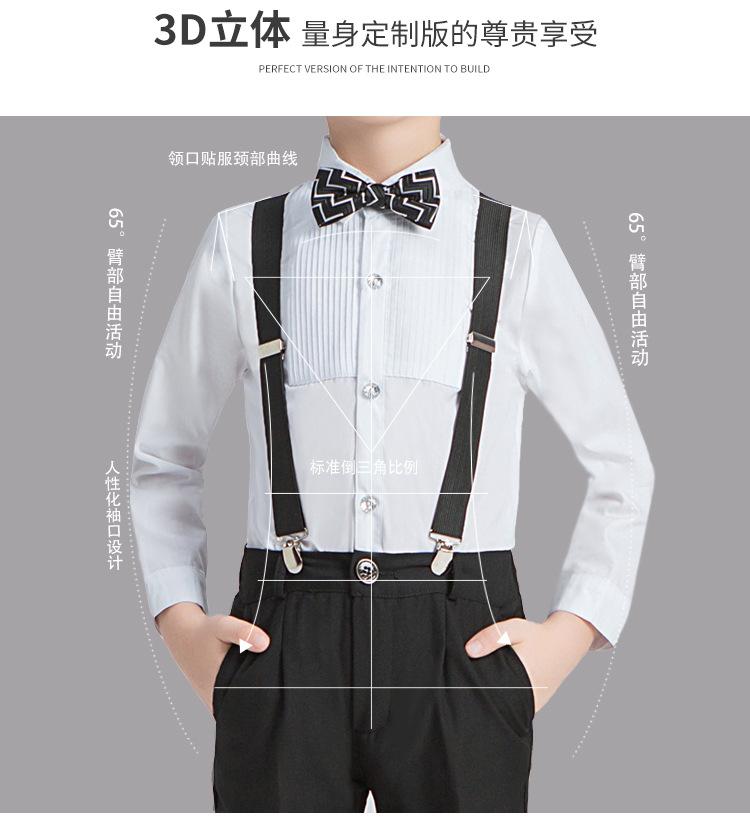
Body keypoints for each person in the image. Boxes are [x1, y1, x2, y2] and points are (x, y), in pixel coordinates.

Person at [130, 116, 654, 812]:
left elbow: (621, 461)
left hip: (463, 634)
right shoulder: (242, 237)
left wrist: (570, 634)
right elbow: (163, 456)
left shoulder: (516, 242)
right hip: (282, 629)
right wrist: (182, 626)